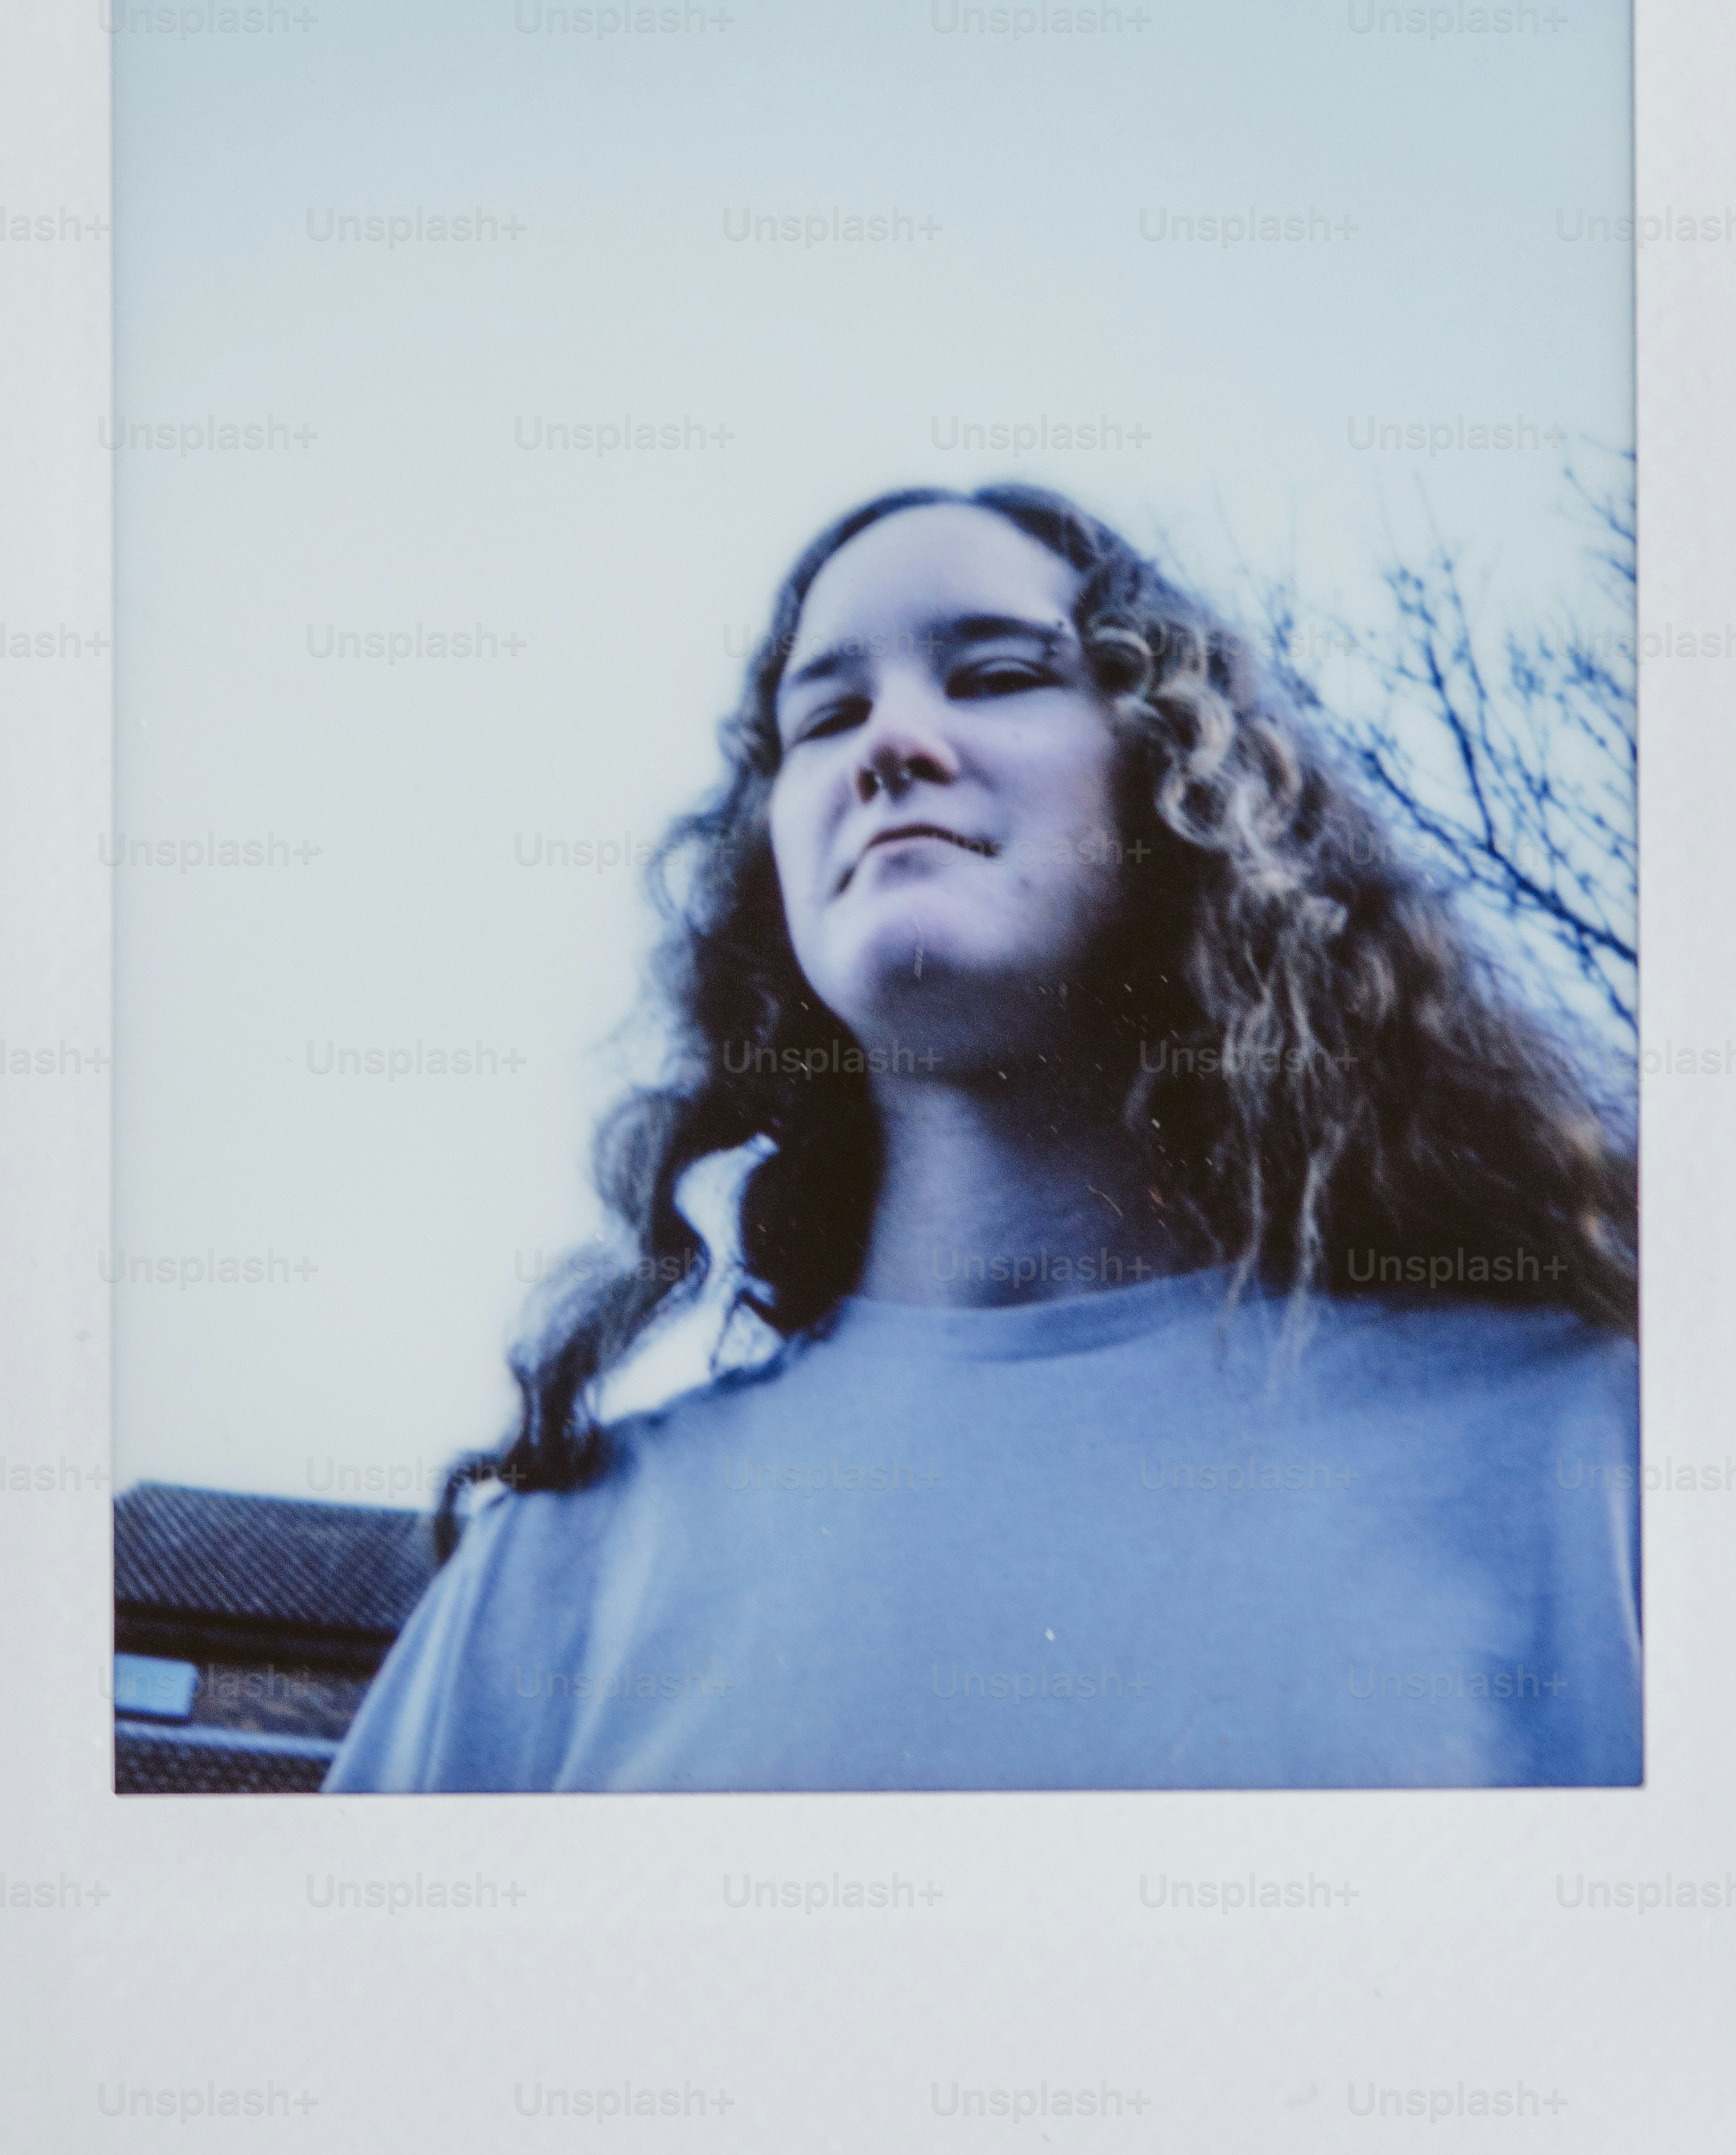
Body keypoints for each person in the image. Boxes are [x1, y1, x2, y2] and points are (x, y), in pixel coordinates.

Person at [325, 483, 1639, 1794]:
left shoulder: (1587, 1454)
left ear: (1172, 767)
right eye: (824, 716)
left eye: (998, 674)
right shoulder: (552, 1577)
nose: (888, 742)